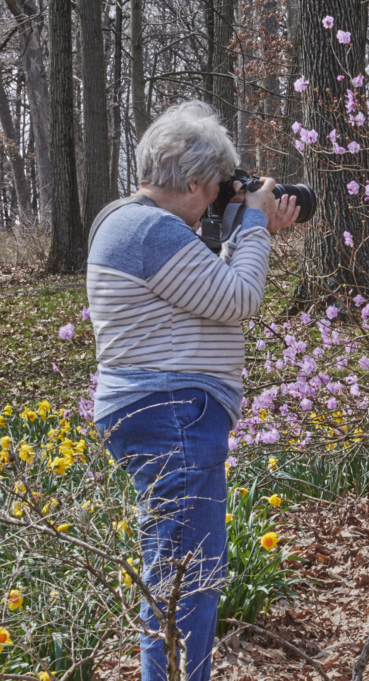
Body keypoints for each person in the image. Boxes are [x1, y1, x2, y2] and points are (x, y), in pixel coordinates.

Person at [88, 100, 301, 681]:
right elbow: (238, 298)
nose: (213, 203)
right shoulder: (150, 229)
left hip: (165, 411)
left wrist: (245, 227)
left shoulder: (128, 221)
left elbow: (211, 288)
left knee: (179, 569)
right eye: (211, 192)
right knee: (187, 578)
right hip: (171, 413)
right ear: (190, 180)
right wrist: (254, 222)